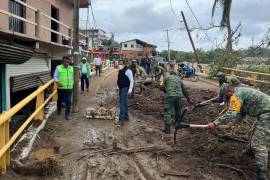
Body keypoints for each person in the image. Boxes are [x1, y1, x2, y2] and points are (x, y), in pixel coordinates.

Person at [208, 85, 270, 180]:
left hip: (267, 114)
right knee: (255, 133)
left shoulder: (236, 95)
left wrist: (215, 123)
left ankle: (262, 175)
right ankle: (251, 151)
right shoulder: (240, 92)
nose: (227, 98)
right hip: (264, 112)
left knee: (258, 144)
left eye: (226, 96)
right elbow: (242, 111)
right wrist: (233, 122)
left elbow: (231, 113)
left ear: (229, 92)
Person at [54, 56, 74, 120]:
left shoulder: (71, 68)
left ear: (69, 62)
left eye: (67, 62)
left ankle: (67, 115)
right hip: (61, 88)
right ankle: (59, 110)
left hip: (69, 88)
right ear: (62, 61)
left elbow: (73, 77)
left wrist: (73, 84)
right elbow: (55, 76)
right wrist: (57, 82)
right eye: (65, 62)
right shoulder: (58, 67)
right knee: (59, 100)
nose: (66, 63)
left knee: (68, 101)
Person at [116, 60, 134, 125]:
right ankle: (126, 116)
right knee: (125, 102)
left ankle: (121, 118)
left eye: (121, 64)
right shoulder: (120, 70)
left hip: (125, 87)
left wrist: (130, 90)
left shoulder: (128, 71)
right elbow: (119, 79)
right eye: (119, 64)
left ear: (124, 64)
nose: (119, 65)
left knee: (122, 103)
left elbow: (131, 80)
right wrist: (117, 87)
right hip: (121, 87)